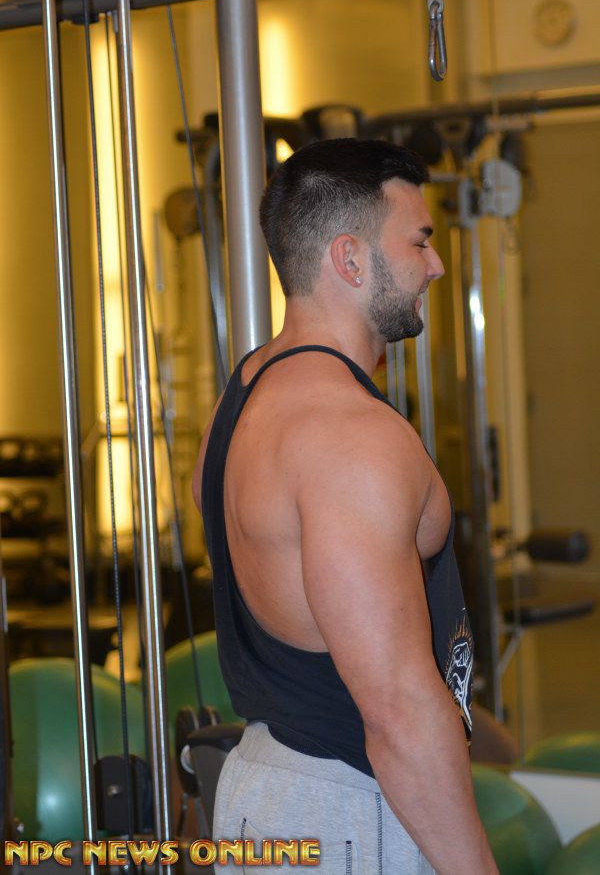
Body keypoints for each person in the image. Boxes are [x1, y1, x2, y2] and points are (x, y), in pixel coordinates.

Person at [192, 138, 497, 874]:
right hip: (351, 804)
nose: (436, 265)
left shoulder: (247, 390)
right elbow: (397, 711)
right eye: (419, 241)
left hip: (270, 782)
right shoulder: (350, 437)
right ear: (351, 260)